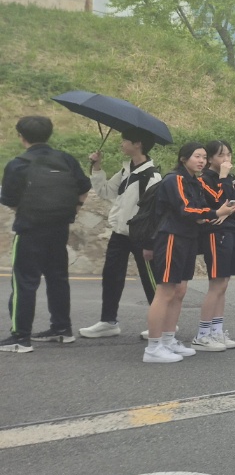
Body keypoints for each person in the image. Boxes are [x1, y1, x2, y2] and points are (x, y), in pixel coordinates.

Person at [1, 116, 90, 352]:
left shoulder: (18, 164)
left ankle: (20, 337)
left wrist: (27, 211)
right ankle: (62, 329)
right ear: (49, 134)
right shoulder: (66, 159)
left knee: (24, 282)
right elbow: (84, 187)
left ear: (21, 136)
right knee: (58, 278)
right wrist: (74, 210)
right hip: (59, 228)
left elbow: (9, 200)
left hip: (30, 229)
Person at [146, 142, 233, 363]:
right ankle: (153, 347)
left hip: (188, 238)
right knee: (165, 291)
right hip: (171, 237)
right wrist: (215, 212)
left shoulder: (194, 181)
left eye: (204, 157)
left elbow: (200, 209)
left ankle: (168, 341)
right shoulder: (174, 179)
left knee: (180, 291)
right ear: (183, 158)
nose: (201, 160)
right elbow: (186, 209)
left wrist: (210, 213)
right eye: (197, 156)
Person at [81, 131, 160, 339]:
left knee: (150, 279)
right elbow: (106, 191)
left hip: (141, 235)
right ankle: (108, 321)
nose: (121, 144)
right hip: (120, 233)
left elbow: (155, 212)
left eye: (125, 140)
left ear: (138, 144)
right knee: (111, 276)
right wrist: (97, 167)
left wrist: (150, 241)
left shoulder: (152, 176)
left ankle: (162, 323)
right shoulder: (127, 171)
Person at [193, 139, 235, 352]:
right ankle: (202, 334)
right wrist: (223, 179)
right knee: (216, 284)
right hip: (216, 234)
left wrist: (227, 211)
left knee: (224, 284)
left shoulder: (232, 179)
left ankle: (216, 330)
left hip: (232, 232)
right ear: (210, 159)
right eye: (221, 155)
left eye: (229, 154)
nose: (226, 159)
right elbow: (217, 200)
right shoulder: (204, 180)